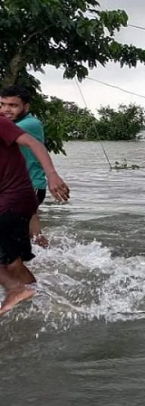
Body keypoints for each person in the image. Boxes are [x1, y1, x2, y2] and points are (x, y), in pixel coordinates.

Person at [0, 116, 70, 317]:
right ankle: (45, 304)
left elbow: (33, 142)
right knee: (12, 263)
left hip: (14, 199)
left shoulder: (2, 123)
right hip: (16, 200)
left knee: (11, 264)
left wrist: (52, 174)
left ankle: (16, 289)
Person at [1, 85, 48, 247]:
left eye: (13, 105)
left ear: (26, 107)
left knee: (21, 234)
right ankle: (50, 260)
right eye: (3, 104)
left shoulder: (30, 124)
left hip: (31, 185)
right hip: (20, 186)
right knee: (33, 235)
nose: (7, 110)